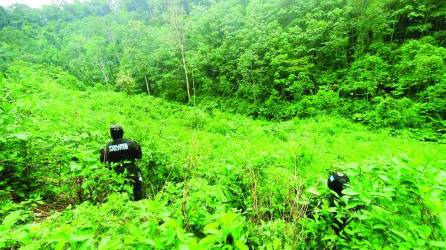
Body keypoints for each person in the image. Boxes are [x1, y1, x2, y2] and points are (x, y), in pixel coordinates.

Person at [100, 125, 143, 201]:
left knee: (117, 196)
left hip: (115, 177)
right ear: (122, 133)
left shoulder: (106, 148)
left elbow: (103, 162)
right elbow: (139, 156)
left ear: (111, 134)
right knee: (138, 190)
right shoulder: (132, 143)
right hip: (132, 174)